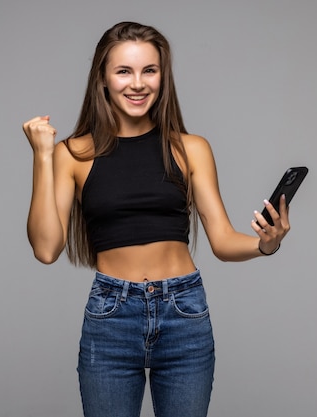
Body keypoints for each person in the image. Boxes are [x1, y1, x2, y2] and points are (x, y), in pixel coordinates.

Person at [23, 21, 290, 417]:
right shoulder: (73, 155)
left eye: (150, 70)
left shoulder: (191, 149)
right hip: (111, 317)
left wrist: (265, 244)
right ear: (103, 79)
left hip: (184, 312)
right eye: (123, 71)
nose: (138, 84)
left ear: (163, 77)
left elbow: (222, 240)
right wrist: (42, 156)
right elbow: (46, 249)